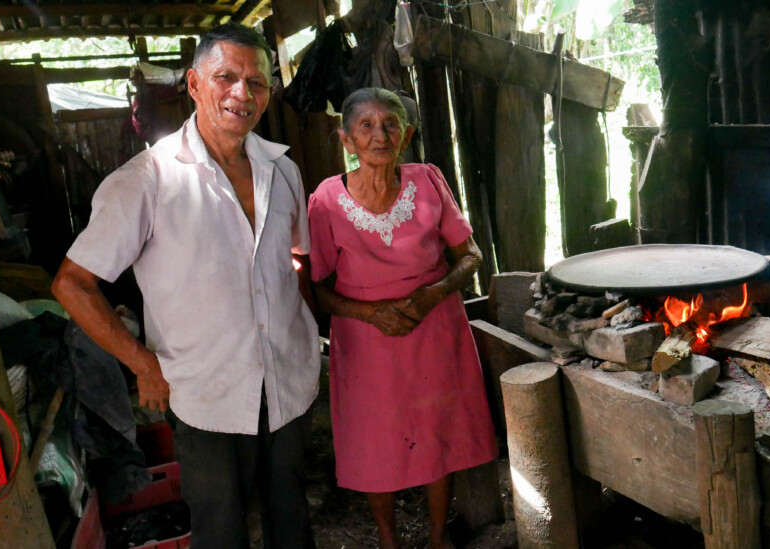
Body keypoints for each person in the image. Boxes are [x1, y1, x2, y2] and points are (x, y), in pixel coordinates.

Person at [51, 22, 320, 549]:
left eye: (257, 82)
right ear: (194, 84)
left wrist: (308, 336)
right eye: (226, 77)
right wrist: (143, 364)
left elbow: (296, 259)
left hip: (288, 381)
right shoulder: (147, 180)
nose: (242, 93)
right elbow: (72, 284)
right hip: (206, 394)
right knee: (221, 529)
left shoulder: (281, 170)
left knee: (291, 514)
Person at [307, 88, 497, 549]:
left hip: (434, 328)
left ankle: (437, 538)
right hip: (366, 339)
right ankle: (388, 539)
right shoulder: (327, 201)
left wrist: (432, 294)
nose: (379, 135)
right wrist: (372, 313)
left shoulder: (427, 180)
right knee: (375, 440)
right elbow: (316, 288)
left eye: (390, 124)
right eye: (366, 127)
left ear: (407, 134)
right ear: (346, 140)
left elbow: (469, 254)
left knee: (437, 432)